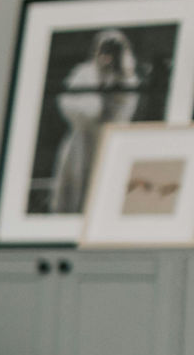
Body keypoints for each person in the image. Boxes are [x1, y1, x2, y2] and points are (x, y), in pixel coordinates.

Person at [48, 28, 143, 215]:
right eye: (104, 49)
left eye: (113, 51)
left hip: (108, 141)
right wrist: (91, 110)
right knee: (74, 184)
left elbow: (123, 110)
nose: (107, 55)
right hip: (81, 139)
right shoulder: (83, 73)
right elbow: (68, 102)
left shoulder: (127, 79)